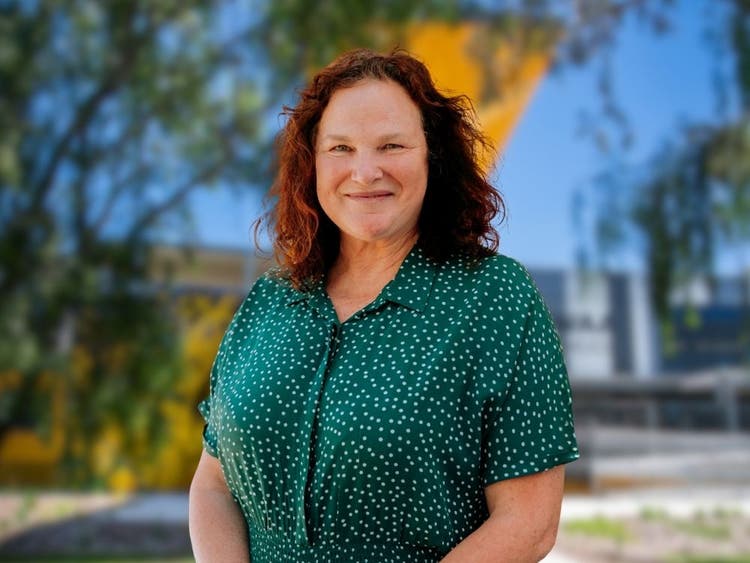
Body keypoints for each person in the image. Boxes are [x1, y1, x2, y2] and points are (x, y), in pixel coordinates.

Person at [189, 48, 579, 563]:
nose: (365, 171)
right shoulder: (270, 300)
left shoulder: (496, 298)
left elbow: (529, 524)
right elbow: (213, 484)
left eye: (391, 145)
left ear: (431, 158)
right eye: (341, 148)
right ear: (313, 162)